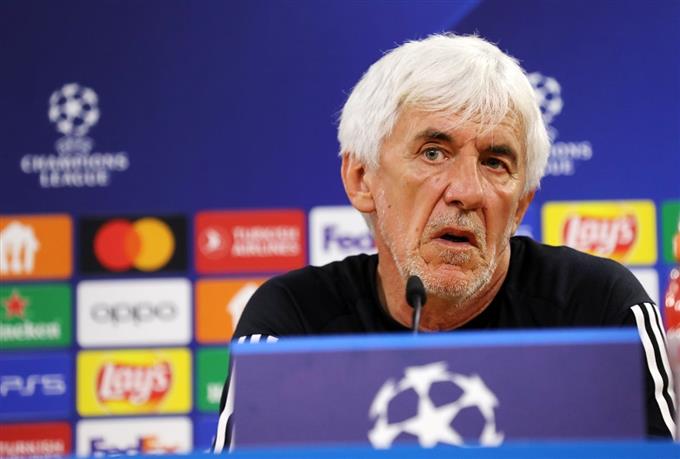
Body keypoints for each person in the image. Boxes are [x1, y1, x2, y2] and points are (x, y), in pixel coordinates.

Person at [212, 33, 676, 451]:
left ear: (520, 205)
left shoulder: (599, 310)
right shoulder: (293, 324)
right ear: (361, 178)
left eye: (495, 162)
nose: (467, 191)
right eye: (433, 153)